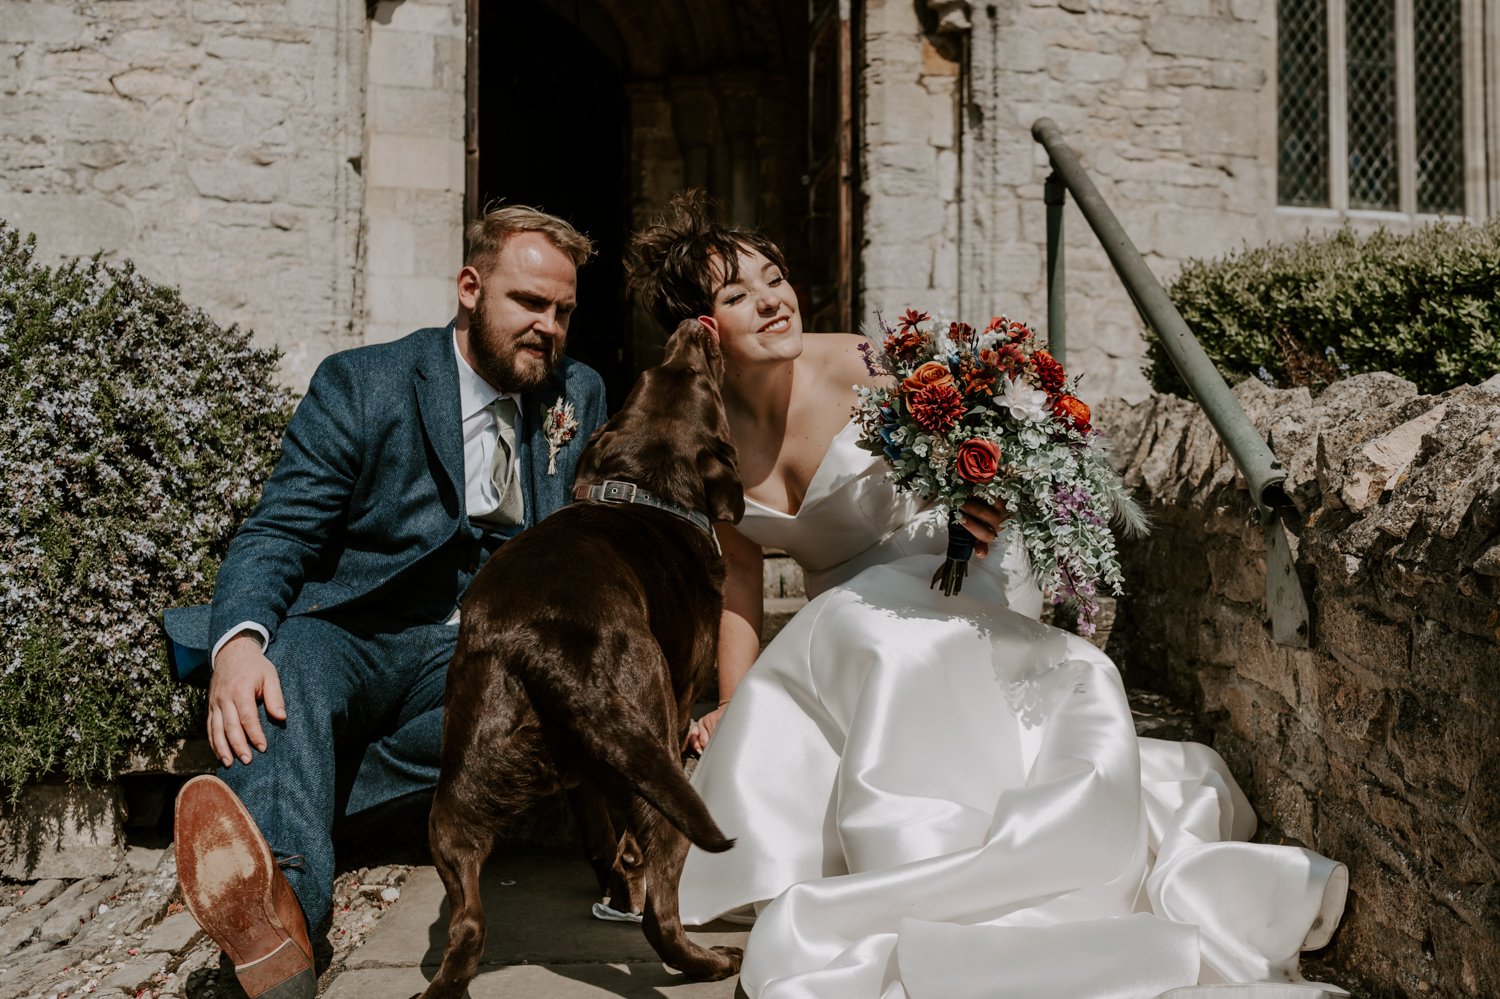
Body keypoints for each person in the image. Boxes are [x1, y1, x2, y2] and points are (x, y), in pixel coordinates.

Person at [626, 191, 1348, 998]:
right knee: (851, 636)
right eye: (738, 295)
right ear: (700, 330)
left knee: (871, 637)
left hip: (958, 561)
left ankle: (955, 867)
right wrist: (737, 702)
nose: (773, 300)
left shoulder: (859, 363)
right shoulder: (707, 431)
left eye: (775, 278)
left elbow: (983, 445)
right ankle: (932, 856)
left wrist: (989, 491)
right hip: (852, 614)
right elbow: (740, 572)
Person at [162, 205, 608, 999]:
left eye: (563, 310)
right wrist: (236, 645)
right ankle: (288, 919)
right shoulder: (365, 383)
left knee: (548, 701)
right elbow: (282, 530)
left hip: (474, 652)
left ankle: (285, 862)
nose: (548, 326)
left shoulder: (578, 391)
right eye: (528, 303)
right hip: (354, 631)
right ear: (470, 288)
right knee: (283, 675)